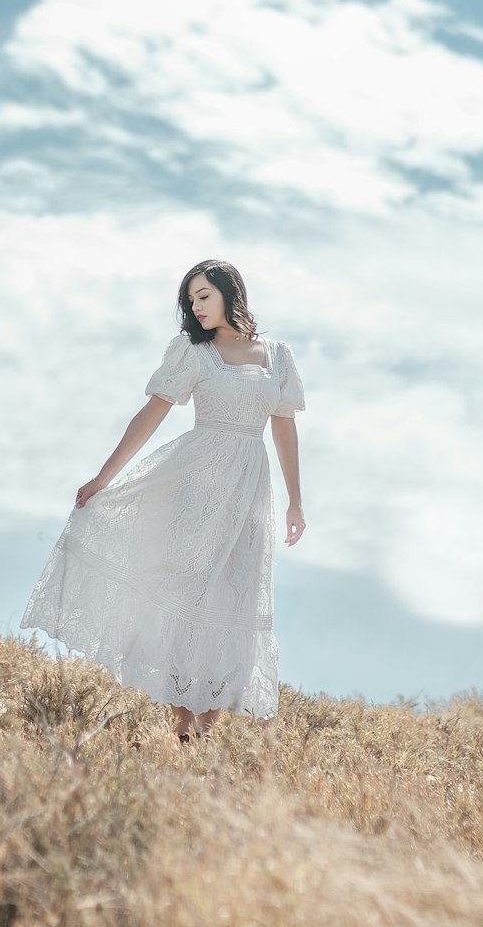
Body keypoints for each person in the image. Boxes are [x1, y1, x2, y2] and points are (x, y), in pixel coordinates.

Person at [19, 259, 306, 744]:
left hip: (250, 489)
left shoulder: (277, 356)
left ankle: (207, 725)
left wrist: (296, 502)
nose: (195, 307)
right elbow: (152, 413)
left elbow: (284, 427)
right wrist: (104, 477)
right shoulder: (191, 352)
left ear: (229, 293)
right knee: (182, 591)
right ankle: (180, 716)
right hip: (194, 482)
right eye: (190, 300)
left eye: (203, 296)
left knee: (234, 595)